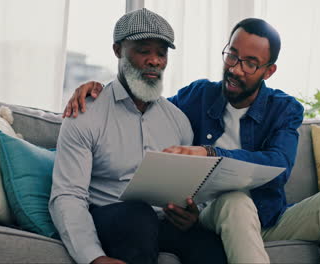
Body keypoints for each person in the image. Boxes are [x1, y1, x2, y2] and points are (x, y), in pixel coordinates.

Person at [65, 17, 320, 263]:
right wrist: (99, 88)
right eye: (232, 55)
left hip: (266, 217)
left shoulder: (284, 109)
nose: (235, 68)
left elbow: (280, 165)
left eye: (250, 63)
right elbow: (141, 103)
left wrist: (209, 152)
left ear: (269, 71)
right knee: (234, 202)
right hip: (218, 213)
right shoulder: (197, 97)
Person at [49, 8, 227, 264]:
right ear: (118, 50)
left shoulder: (178, 120)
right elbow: (67, 195)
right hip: (110, 219)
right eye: (144, 51)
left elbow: (191, 192)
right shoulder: (85, 114)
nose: (155, 60)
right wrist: (93, 258)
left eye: (162, 53)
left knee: (210, 244)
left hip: (161, 221)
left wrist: (192, 213)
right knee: (137, 216)